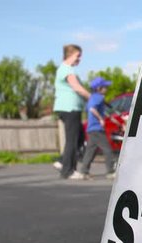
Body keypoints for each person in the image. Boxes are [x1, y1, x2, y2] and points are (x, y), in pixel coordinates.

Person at [53, 44, 90, 180]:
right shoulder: (67, 69)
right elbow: (77, 87)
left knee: (79, 138)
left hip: (71, 108)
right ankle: (68, 171)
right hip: (69, 108)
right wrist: (92, 97)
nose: (79, 59)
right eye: (78, 56)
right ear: (70, 54)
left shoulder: (66, 69)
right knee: (72, 140)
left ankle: (63, 161)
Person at [79, 77, 119, 179]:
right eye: (105, 87)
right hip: (97, 129)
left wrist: (107, 118)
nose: (106, 88)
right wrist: (100, 119)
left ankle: (84, 171)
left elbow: (91, 108)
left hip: (91, 129)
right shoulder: (99, 97)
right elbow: (92, 109)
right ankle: (110, 171)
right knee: (108, 149)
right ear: (99, 88)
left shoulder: (92, 97)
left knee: (90, 151)